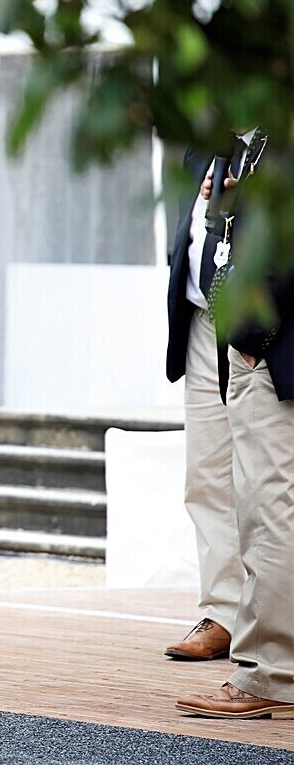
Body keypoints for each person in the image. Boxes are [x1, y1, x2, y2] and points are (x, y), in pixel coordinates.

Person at [177, 133, 294, 719]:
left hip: (265, 344)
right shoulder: (244, 138)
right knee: (255, 499)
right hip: (246, 337)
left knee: (268, 506)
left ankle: (271, 675)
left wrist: (250, 336)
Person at [160, 142, 248, 662]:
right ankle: (225, 612)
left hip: (263, 326)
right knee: (208, 475)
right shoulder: (198, 148)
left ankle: (271, 621)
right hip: (200, 320)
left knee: (268, 480)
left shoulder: (273, 147)